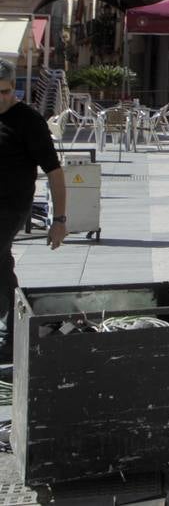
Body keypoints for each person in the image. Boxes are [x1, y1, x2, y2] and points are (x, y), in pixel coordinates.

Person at [0, 60, 66, 365]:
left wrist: (60, 220)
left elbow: (54, 171)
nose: (1, 98)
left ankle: (10, 334)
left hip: (11, 206)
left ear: (15, 88)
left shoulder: (28, 121)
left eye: (6, 92)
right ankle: (12, 328)